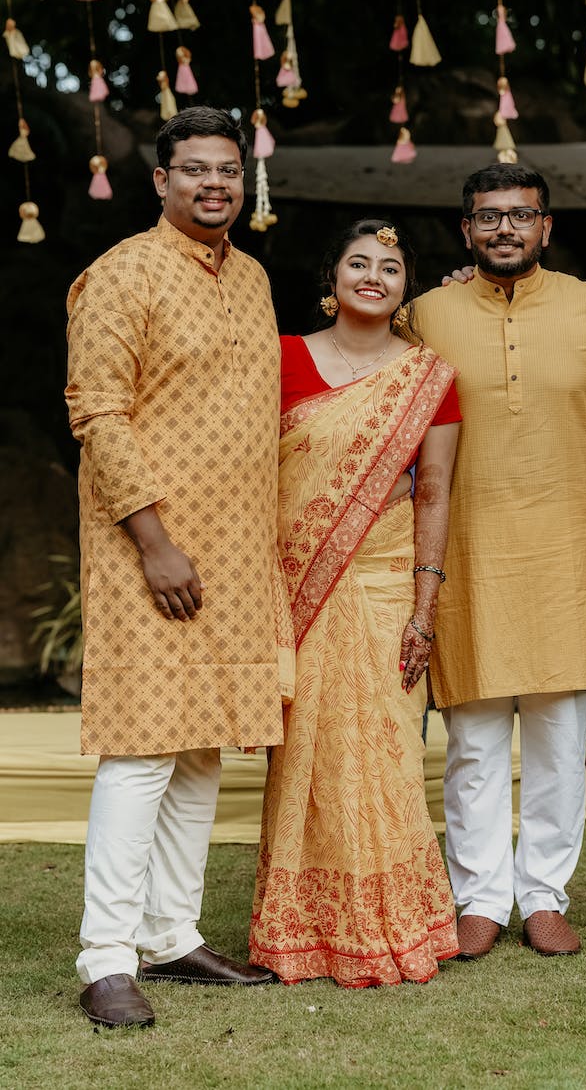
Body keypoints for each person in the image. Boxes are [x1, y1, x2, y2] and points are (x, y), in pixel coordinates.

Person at [66, 106, 289, 1028]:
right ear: (159, 181)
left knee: (201, 751)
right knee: (143, 749)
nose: (214, 185)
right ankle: (106, 956)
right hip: (145, 546)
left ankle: (169, 934)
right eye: (194, 169)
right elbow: (97, 412)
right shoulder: (123, 273)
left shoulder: (254, 278)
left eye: (227, 170)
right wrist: (154, 542)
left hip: (236, 547)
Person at [413, 164, 586, 961]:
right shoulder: (423, 314)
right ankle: (479, 897)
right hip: (461, 550)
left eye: (521, 215)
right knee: (470, 739)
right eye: (488, 217)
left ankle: (543, 896)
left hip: (564, 547)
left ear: (546, 226)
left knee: (558, 739)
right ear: (464, 231)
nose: (505, 229)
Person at [249, 220, 461, 987]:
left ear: (407, 289)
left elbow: (434, 490)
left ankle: (398, 924)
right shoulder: (281, 357)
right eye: (358, 263)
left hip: (383, 582)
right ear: (331, 276)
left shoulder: (428, 377)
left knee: (386, 752)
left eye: (391, 268)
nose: (373, 276)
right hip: (294, 581)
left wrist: (424, 606)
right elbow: (251, 479)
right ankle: (302, 929)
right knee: (304, 755)